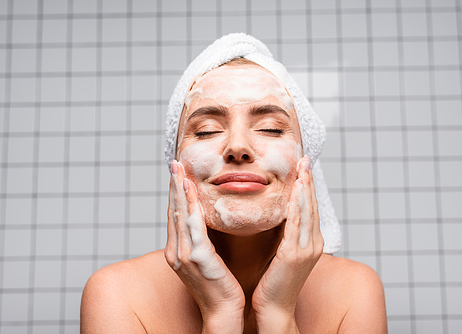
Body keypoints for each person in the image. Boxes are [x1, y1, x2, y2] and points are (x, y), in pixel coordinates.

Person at [80, 33, 387, 334]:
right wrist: (220, 316)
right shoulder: (117, 295)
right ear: (176, 164)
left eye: (270, 128)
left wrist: (278, 316)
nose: (237, 146)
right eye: (206, 131)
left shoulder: (354, 292)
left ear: (305, 159)